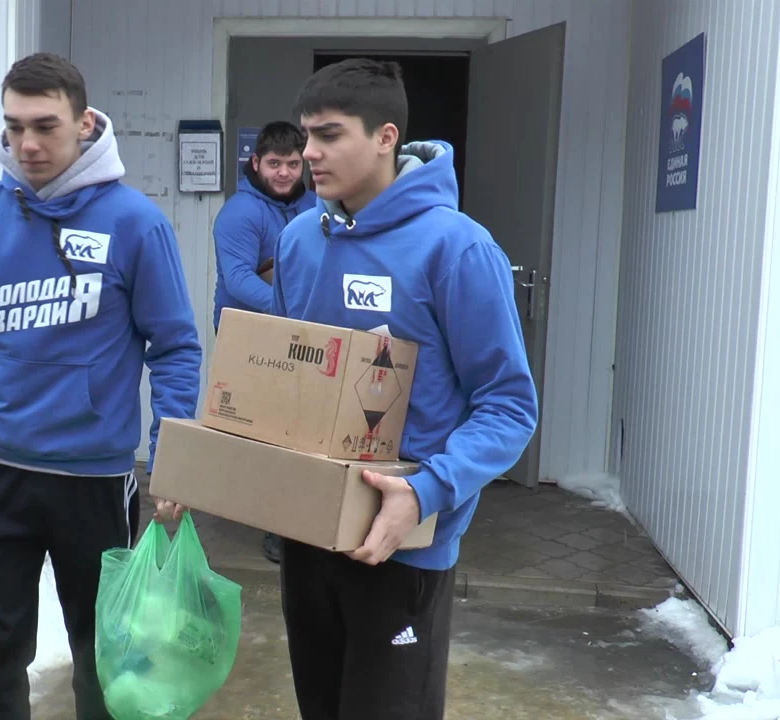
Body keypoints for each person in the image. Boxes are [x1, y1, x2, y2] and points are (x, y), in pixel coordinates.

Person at [0, 53, 203, 720]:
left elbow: (175, 348)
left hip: (92, 479)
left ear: (85, 124)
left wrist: (173, 457)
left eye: (44, 126)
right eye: (13, 127)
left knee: (103, 659)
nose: (26, 144)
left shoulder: (135, 223)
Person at [274, 58, 539, 718]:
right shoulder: (300, 240)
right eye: (306, 136)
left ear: (386, 137)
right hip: (308, 532)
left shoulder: (457, 248)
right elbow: (284, 377)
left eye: (329, 135)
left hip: (403, 545)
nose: (309, 153)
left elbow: (509, 407)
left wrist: (425, 492)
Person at [212, 120, 316, 564]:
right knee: (267, 433)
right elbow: (237, 280)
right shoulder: (240, 212)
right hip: (251, 334)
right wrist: (291, 313)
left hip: (298, 333)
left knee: (301, 429)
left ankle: (293, 517)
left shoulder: (315, 205)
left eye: (292, 164)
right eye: (274, 163)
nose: (284, 173)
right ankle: (274, 525)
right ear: (255, 162)